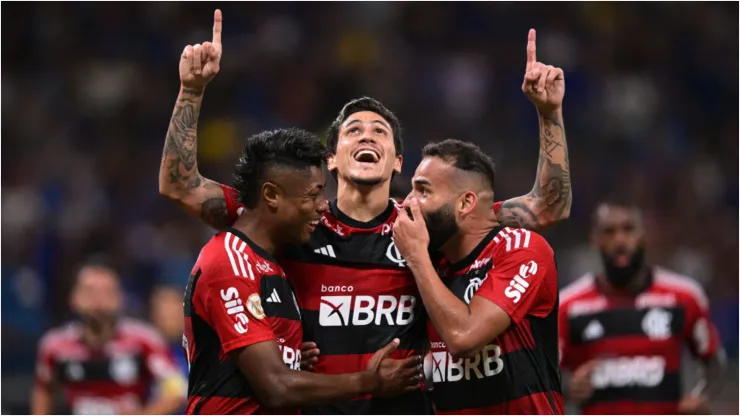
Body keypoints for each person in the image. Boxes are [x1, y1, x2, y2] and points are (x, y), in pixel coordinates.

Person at [159, 11, 571, 414]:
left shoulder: (424, 225)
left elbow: (547, 206)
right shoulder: (292, 220)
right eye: (353, 130)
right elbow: (181, 185)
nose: (367, 135)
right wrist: (191, 92)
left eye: (380, 132)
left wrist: (549, 114)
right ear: (332, 159)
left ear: (396, 163)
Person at [181, 126, 421, 414]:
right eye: (313, 195)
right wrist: (368, 382)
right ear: (271, 195)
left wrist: (291, 357)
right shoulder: (229, 262)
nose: (322, 206)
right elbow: (276, 387)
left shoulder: (273, 264)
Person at [391, 30, 565, 414]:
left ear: (467, 202)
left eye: (423, 190)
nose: (409, 203)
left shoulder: (520, 249)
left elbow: (464, 336)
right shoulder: (434, 258)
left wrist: (549, 113)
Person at [558, 198, 727, 415]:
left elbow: (714, 363)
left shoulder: (684, 297)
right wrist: (567, 389)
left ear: (644, 234)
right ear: (595, 239)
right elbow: (541, 378)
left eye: (628, 229)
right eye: (609, 232)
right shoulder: (568, 306)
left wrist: (701, 398)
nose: (620, 240)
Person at [31, 259, 187, 415]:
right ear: (73, 297)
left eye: (107, 291)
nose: (98, 300)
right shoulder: (54, 345)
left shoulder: (144, 341)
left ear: (121, 298)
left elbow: (177, 391)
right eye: (90, 291)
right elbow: (43, 390)